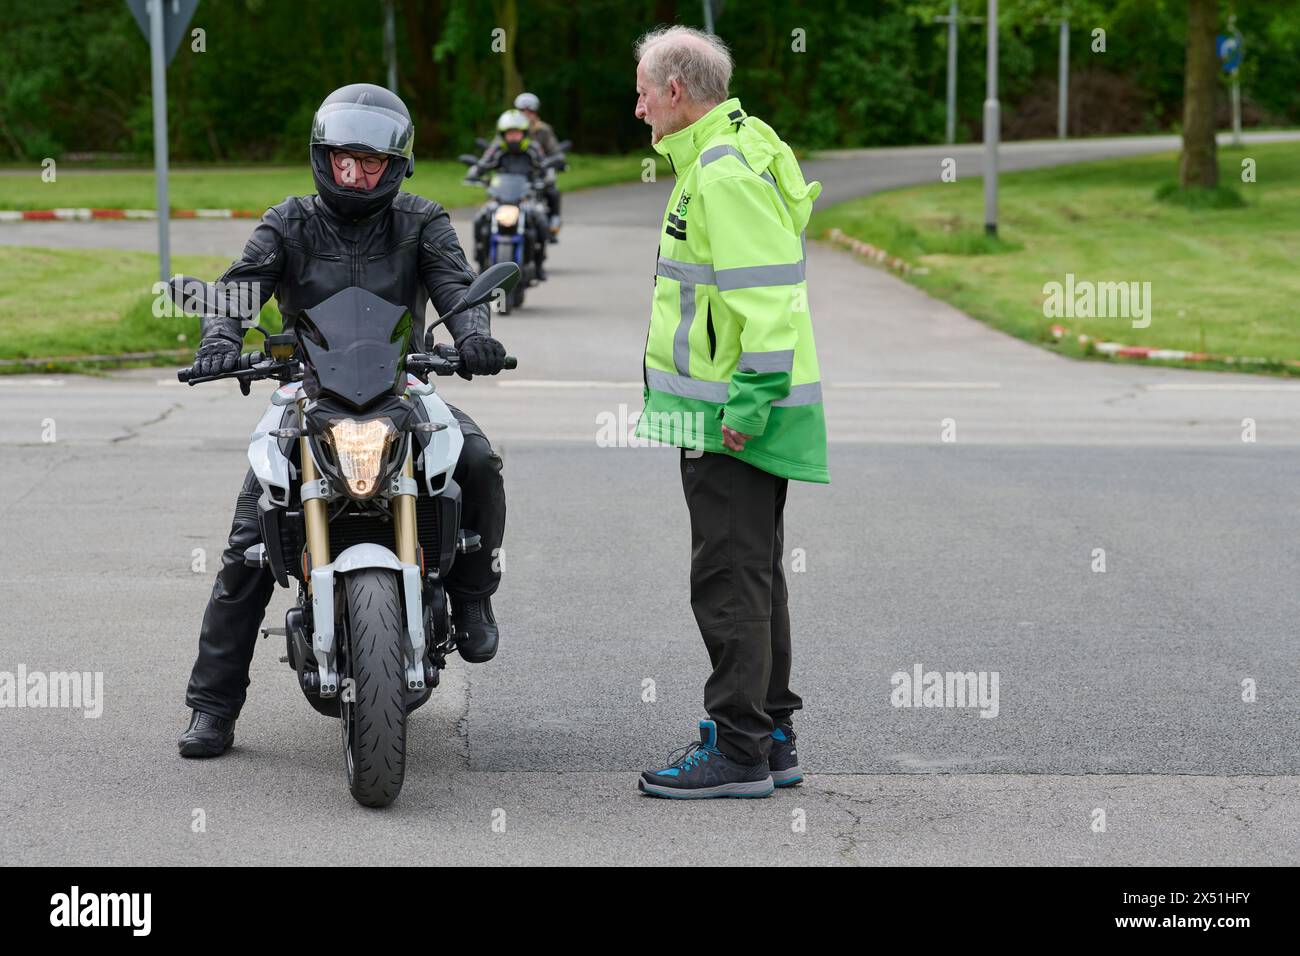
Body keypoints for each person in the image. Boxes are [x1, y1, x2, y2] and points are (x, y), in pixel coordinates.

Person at [178, 83, 509, 759]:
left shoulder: (422, 221)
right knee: (248, 546)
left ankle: (473, 596)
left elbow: (454, 282)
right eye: (341, 160)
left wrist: (473, 333)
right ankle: (212, 707)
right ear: (320, 159)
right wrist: (221, 337)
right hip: (311, 391)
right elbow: (243, 286)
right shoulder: (288, 222)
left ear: (398, 165)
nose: (353, 174)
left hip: (401, 384)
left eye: (370, 162)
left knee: (476, 459)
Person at [631, 26, 828, 799]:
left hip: (733, 414)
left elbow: (768, 301)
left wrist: (747, 402)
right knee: (753, 574)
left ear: (676, 91)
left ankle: (739, 748)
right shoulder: (734, 146)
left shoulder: (721, 171)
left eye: (645, 89)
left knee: (727, 578)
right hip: (723, 408)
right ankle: (770, 733)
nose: (639, 103)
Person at [466, 109, 552, 279]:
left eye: (517, 133)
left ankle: (539, 265)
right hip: (500, 199)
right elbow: (483, 164)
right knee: (479, 220)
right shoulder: (497, 148)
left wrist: (547, 177)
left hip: (525, 199)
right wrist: (474, 173)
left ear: (524, 134)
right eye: (510, 134)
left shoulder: (533, 149)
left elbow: (545, 168)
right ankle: (482, 262)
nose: (513, 137)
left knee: (541, 222)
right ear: (503, 134)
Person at [513, 91, 564, 236]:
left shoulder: (543, 130)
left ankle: (553, 222)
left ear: (535, 112)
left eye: (530, 110)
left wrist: (550, 162)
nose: (526, 113)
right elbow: (495, 149)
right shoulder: (509, 129)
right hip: (512, 174)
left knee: (552, 190)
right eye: (522, 110)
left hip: (536, 172)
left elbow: (554, 150)